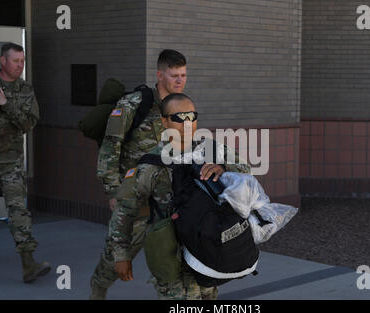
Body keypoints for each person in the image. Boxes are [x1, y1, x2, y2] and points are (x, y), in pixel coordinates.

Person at [109, 93, 250, 299]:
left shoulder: (210, 149)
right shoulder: (151, 164)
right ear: (164, 121)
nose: (188, 123)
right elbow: (125, 209)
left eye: (192, 116)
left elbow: (246, 169)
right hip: (172, 257)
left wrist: (224, 168)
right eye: (179, 117)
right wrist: (121, 255)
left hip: (207, 252)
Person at [90, 49, 187, 299]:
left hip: (167, 202)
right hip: (136, 199)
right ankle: (98, 289)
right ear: (159, 74)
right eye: (174, 75)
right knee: (116, 259)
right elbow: (110, 149)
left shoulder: (181, 107)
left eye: (183, 75)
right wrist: (113, 191)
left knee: (172, 268)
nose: (179, 81)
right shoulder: (133, 104)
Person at [0, 43, 50, 283]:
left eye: (22, 61)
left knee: (19, 213)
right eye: (16, 61)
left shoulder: (26, 89)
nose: (20, 65)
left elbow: (28, 124)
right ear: (3, 61)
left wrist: (7, 104)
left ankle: (28, 265)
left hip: (11, 162)